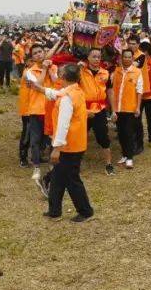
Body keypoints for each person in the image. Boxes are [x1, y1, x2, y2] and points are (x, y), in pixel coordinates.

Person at [43, 63, 95, 222]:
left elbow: (64, 124)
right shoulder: (75, 90)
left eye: (60, 71)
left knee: (71, 179)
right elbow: (56, 93)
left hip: (69, 146)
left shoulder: (67, 97)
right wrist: (40, 89)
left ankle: (86, 211)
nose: (58, 72)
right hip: (74, 143)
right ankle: (54, 211)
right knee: (58, 178)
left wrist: (57, 148)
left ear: (63, 77)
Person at [80, 47, 115, 176]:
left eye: (98, 57)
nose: (96, 59)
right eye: (93, 56)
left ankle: (109, 164)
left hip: (100, 110)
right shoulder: (81, 72)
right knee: (80, 137)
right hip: (84, 110)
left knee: (103, 138)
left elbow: (110, 92)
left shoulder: (105, 73)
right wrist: (78, 68)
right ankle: (76, 163)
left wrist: (114, 111)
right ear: (88, 58)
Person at [18, 45, 50, 179]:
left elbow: (57, 81)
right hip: (36, 110)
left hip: (49, 109)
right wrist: (45, 69)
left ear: (44, 53)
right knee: (34, 139)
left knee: (46, 139)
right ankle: (35, 166)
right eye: (35, 53)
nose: (38, 55)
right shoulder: (28, 72)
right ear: (32, 57)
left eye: (40, 52)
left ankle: (43, 160)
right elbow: (38, 85)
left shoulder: (51, 67)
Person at [112, 48, 143, 169]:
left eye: (129, 57)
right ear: (121, 58)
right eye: (125, 57)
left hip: (130, 108)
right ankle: (124, 154)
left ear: (132, 58)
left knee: (129, 133)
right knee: (121, 133)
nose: (127, 59)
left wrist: (138, 107)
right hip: (118, 108)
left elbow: (139, 91)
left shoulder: (137, 72)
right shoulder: (117, 71)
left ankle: (130, 158)